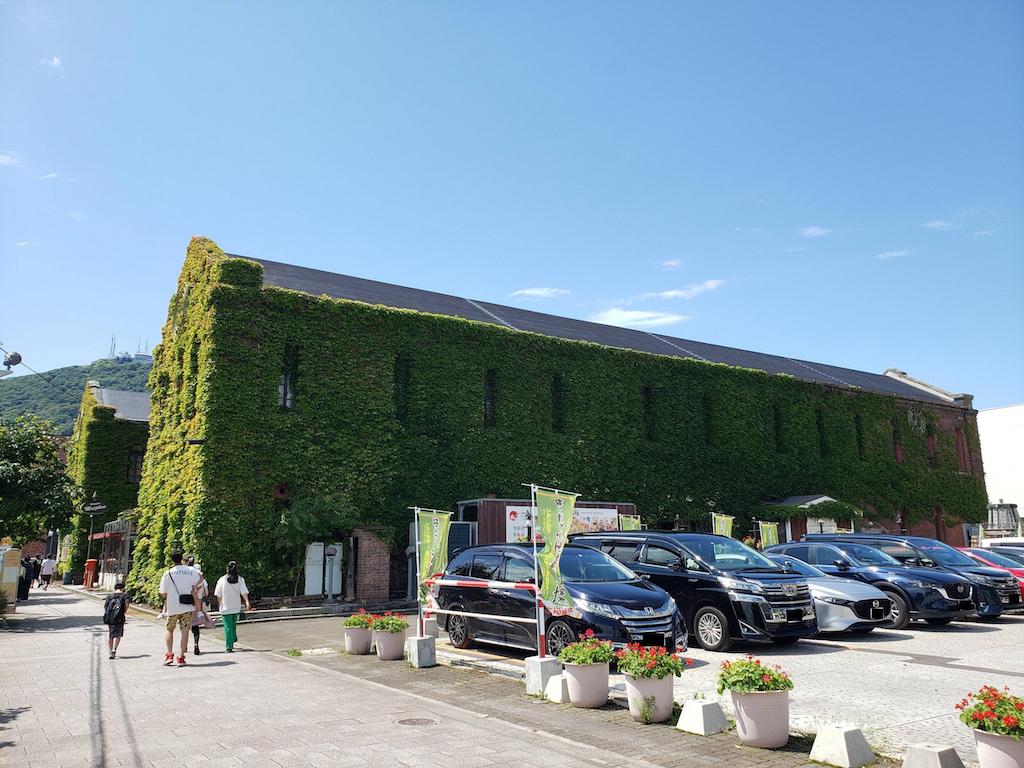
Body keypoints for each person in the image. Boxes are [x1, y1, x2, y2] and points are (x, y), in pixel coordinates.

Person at [158, 551, 202, 667]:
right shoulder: (190, 571)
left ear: (172, 560)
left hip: (172, 606)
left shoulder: (168, 573)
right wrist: (193, 588)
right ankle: (181, 658)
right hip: (187, 606)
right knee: (185, 631)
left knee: (170, 629)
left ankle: (169, 655)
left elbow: (163, 592)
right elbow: (200, 579)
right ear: (182, 558)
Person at [214, 561, 250, 653]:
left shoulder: (222, 580)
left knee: (228, 627)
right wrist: (247, 602)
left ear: (227, 569)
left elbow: (218, 594)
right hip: (236, 606)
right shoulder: (240, 579)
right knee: (233, 625)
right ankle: (233, 638)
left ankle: (229, 646)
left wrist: (219, 604)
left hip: (226, 606)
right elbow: (244, 592)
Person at [187, 556, 210, 656]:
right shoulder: (201, 579)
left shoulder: (186, 577)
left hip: (187, 603)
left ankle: (184, 646)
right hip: (198, 605)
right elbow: (207, 593)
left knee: (185, 626)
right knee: (195, 626)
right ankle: (196, 643)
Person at [103, 582, 130, 659]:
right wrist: (124, 611)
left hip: (110, 617)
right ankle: (114, 649)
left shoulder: (110, 596)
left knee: (111, 634)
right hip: (120, 617)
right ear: (122, 588)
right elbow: (126, 605)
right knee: (118, 634)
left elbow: (105, 606)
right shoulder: (124, 595)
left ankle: (110, 650)